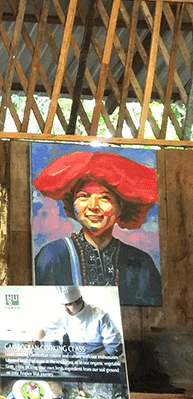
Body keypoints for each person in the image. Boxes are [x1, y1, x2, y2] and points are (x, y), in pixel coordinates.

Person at [33, 150, 161, 306]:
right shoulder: (52, 256)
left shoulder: (141, 263)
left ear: (121, 208)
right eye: (83, 196)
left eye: (105, 198)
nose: (93, 206)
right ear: (72, 204)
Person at [33, 286, 123, 356]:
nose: (65, 309)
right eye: (63, 305)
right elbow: (44, 328)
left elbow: (114, 346)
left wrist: (94, 360)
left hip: (100, 360)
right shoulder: (64, 313)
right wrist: (35, 340)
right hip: (78, 358)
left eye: (69, 304)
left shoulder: (100, 316)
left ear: (79, 300)